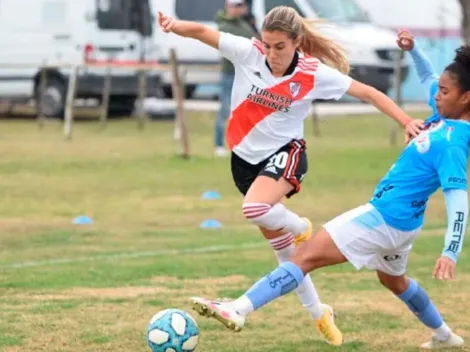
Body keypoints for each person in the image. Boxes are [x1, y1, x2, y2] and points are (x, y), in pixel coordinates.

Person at [158, 6, 423, 345]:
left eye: (279, 46)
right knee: (287, 257)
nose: (271, 54)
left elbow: (368, 93)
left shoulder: (313, 73)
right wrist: (175, 24)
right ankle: (319, 313)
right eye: (267, 45)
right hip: (244, 163)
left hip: (287, 154)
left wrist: (406, 122)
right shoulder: (247, 52)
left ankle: (300, 226)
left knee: (254, 209)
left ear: (297, 42)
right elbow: (201, 32)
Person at [188, 30, 469, 350]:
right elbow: (429, 76)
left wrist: (450, 250)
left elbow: (458, 198)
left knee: (303, 256)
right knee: (394, 280)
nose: (436, 95)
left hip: (382, 218)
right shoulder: (444, 112)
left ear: (465, 98)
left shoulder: (454, 142)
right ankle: (445, 336)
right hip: (403, 224)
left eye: (444, 92)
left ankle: (237, 309)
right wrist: (415, 49)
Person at [215, 0, 258, 157]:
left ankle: (243, 144)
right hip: (230, 73)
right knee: (226, 108)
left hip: (246, 73)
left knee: (247, 109)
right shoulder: (223, 25)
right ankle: (219, 144)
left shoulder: (245, 24)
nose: (240, 9)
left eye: (241, 6)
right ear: (228, 7)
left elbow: (256, 42)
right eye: (237, 6)